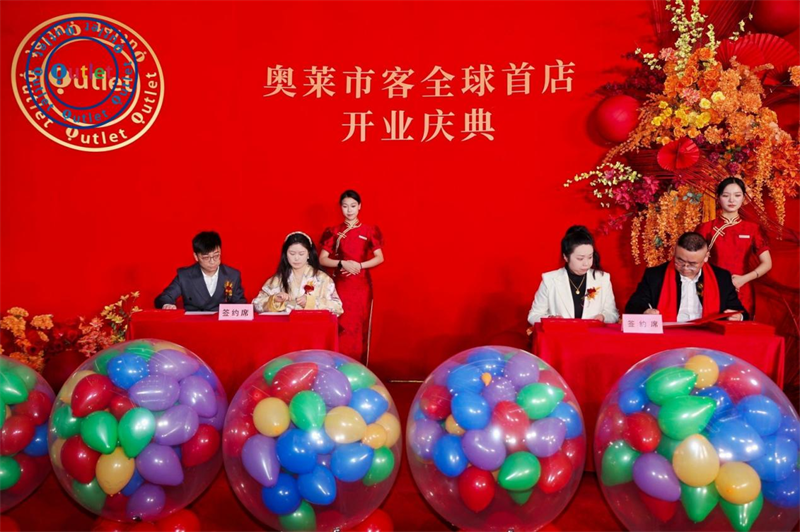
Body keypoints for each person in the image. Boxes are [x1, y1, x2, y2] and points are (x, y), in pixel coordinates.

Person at [319, 190, 384, 363]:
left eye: (353, 206)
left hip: (361, 286)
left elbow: (380, 257)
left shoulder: (369, 231)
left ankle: (360, 366)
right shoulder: (333, 231)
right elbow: (322, 259)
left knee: (360, 326)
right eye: (345, 206)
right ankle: (338, 364)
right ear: (340, 207)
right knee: (341, 325)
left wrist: (359, 266)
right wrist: (342, 263)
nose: (349, 210)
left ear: (359, 206)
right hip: (341, 285)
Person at [625, 232, 748, 321]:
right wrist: (646, 311)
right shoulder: (655, 275)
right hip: (669, 335)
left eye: (693, 264)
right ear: (675, 251)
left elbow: (740, 312)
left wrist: (739, 317)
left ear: (706, 257)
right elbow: (633, 305)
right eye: (680, 260)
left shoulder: (721, 277)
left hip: (708, 336)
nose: (685, 267)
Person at [696, 177, 772, 317]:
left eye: (737, 195)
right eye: (726, 195)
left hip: (742, 289)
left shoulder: (753, 229)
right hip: (712, 287)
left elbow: (767, 263)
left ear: (744, 198)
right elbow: (694, 260)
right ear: (718, 198)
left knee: (741, 327)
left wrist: (743, 279)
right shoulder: (706, 228)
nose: (732, 200)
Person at [528, 226, 619, 325]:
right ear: (566, 257)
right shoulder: (550, 280)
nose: (586, 263)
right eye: (580, 258)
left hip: (593, 334)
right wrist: (551, 319)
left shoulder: (603, 279)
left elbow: (612, 314)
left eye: (590, 257)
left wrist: (603, 317)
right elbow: (534, 315)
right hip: (561, 334)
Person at [253, 231, 343, 315]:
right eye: (292, 253)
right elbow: (256, 304)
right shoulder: (278, 279)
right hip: (285, 326)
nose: (296, 258)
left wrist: (311, 302)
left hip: (313, 326)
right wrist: (274, 299)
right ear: (285, 254)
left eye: (301, 254)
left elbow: (338, 307)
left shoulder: (322, 278)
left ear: (308, 254)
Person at [155, 231, 246, 311]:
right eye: (206, 257)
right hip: (193, 322)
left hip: (221, 322)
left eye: (216, 256)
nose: (212, 261)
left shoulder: (232, 275)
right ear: (196, 256)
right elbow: (165, 297)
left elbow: (240, 302)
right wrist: (167, 305)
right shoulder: (185, 276)